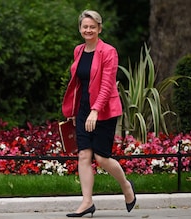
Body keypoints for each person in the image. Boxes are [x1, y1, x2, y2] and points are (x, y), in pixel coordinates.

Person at [62, 10, 136, 217]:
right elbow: (78, 83)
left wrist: (95, 111)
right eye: (85, 27)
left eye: (92, 27)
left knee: (102, 158)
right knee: (84, 155)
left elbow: (106, 85)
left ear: (99, 29)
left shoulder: (108, 52)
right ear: (80, 29)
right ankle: (87, 203)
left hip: (104, 110)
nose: (88, 30)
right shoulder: (78, 51)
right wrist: (76, 110)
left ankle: (126, 186)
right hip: (84, 109)